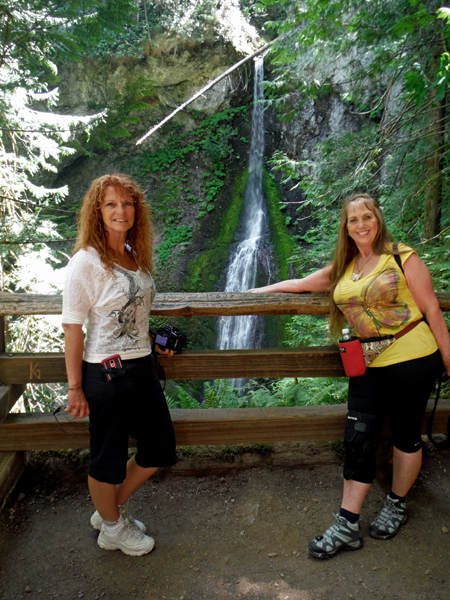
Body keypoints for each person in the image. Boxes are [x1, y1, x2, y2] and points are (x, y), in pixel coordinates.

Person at [248, 193, 450, 558]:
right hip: (367, 363)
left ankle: (396, 504)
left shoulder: (402, 257)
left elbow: (432, 310)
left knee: (406, 435)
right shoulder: (344, 265)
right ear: (346, 227)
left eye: (367, 216)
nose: (361, 224)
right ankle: (347, 524)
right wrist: (252, 294)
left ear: (378, 219)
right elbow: (299, 284)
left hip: (414, 359)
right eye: (353, 219)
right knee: (357, 439)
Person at [62, 174, 177, 557]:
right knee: (107, 455)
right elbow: (73, 326)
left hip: (141, 366)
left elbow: (133, 314)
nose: (120, 210)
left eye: (127, 203)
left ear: (136, 211)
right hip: (105, 371)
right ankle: (112, 526)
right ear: (97, 210)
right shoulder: (86, 261)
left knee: (159, 445)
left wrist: (154, 342)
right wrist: (75, 386)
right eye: (111, 203)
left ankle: (108, 511)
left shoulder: (133, 253)